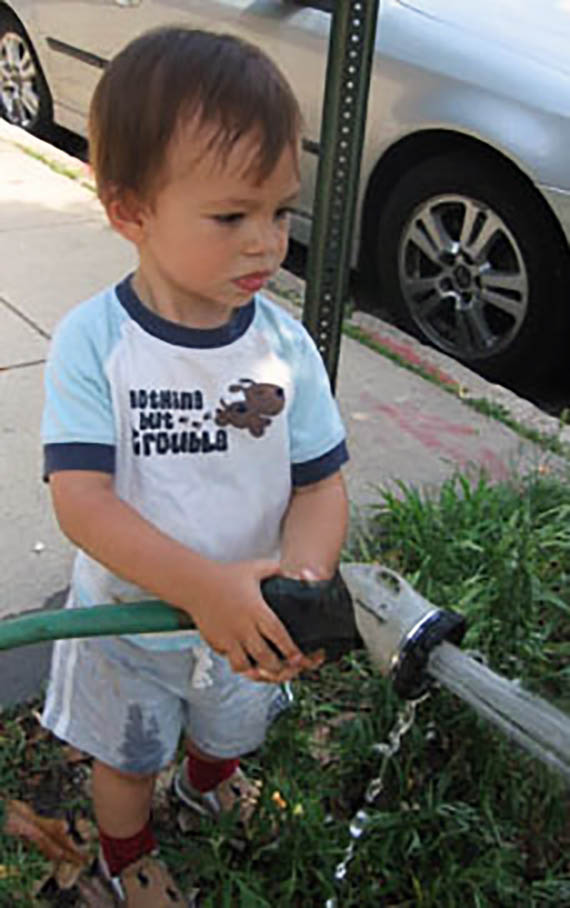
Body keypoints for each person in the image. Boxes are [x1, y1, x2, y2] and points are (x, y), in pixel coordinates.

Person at [40, 26, 349, 907]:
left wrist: (301, 580)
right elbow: (84, 504)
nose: (266, 243)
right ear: (130, 209)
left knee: (229, 727)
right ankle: (126, 851)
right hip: (125, 624)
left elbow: (320, 483)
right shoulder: (96, 345)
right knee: (126, 755)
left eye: (280, 211)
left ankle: (207, 785)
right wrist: (202, 588)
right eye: (230, 217)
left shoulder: (285, 350)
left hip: (249, 619)